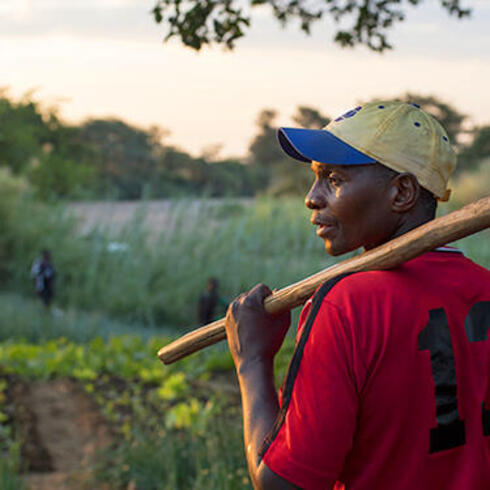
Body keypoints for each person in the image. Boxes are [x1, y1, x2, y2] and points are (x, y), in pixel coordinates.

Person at [224, 101, 490, 489]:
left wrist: (252, 361)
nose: (311, 198)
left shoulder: (346, 305)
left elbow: (282, 483)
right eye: (316, 178)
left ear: (401, 192)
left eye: (333, 179)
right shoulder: (483, 285)